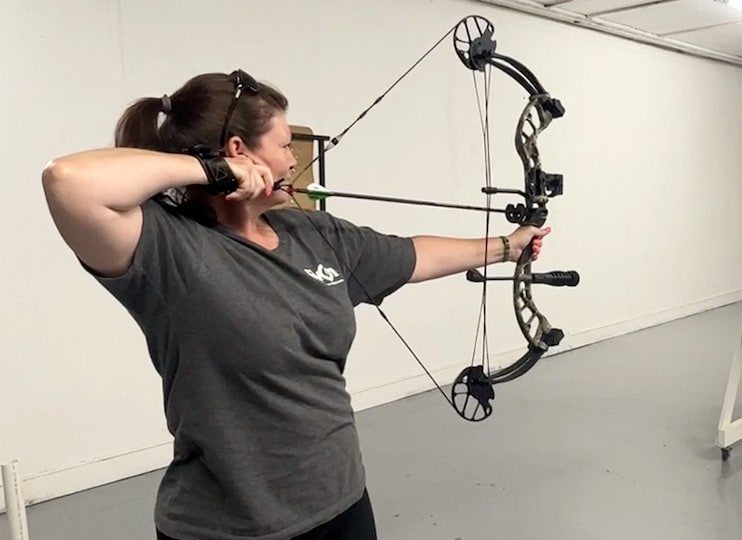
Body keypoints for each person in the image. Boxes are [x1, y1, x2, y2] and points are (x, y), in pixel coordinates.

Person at [40, 69, 549, 540]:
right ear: (239, 151)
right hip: (226, 526)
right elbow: (68, 181)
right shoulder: (167, 247)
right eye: (284, 144)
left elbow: (412, 254)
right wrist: (210, 170)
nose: (291, 159)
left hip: (341, 502)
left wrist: (508, 246)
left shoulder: (314, 232)